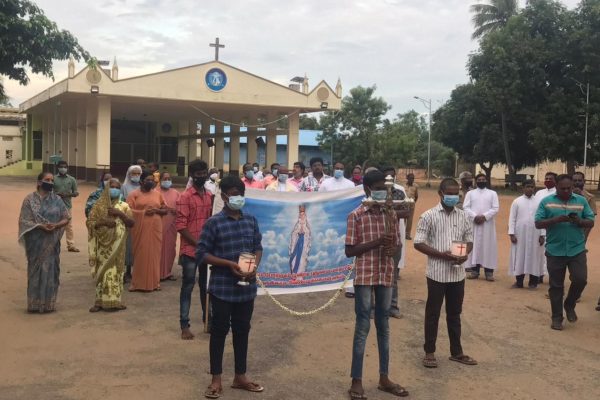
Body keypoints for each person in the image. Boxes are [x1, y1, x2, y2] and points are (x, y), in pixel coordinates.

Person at [196, 176, 264, 399]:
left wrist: (254, 266)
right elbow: (202, 254)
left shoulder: (251, 221)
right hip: (222, 288)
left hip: (246, 288)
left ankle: (240, 376)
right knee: (219, 332)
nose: (237, 198)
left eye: (241, 194)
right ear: (224, 196)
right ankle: (216, 379)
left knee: (242, 330)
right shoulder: (214, 223)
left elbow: (258, 247)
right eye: (233, 194)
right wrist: (227, 264)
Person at [346, 170, 408, 399]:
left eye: (386, 187)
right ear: (367, 189)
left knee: (384, 326)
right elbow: (349, 250)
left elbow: (396, 245)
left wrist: (392, 249)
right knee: (363, 327)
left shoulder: (390, 214)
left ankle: (384, 377)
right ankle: (356, 380)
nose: (383, 191)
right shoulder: (356, 216)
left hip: (385, 273)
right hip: (365, 275)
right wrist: (376, 243)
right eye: (379, 187)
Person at [414, 178, 477, 369]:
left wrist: (465, 253)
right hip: (437, 273)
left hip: (457, 273)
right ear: (440, 194)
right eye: (449, 193)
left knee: (454, 313)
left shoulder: (464, 216)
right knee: (433, 313)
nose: (453, 197)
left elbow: (469, 239)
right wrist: (441, 255)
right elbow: (418, 242)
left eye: (456, 193)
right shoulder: (428, 216)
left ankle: (456, 352)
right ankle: (429, 352)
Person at [535, 174, 594, 330]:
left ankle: (569, 304)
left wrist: (579, 221)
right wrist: (555, 220)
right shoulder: (546, 202)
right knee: (556, 286)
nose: (567, 191)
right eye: (563, 188)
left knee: (581, 279)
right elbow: (538, 223)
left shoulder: (581, 201)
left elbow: (591, 221)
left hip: (577, 249)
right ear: (557, 186)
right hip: (555, 250)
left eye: (569, 188)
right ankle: (556, 318)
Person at [18, 172, 70, 313]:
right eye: (47, 180)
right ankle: (34, 304)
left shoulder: (57, 199)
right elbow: (24, 221)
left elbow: (66, 217)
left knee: (50, 271)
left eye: (52, 180)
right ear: (39, 182)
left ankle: (48, 304)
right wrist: (40, 226)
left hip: (51, 243)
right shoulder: (29, 200)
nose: (50, 182)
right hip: (35, 244)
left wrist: (57, 225)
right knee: (35, 272)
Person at [177, 160, 214, 340]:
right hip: (190, 250)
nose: (201, 176)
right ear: (191, 174)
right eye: (197, 173)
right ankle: (184, 324)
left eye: (203, 173)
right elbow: (180, 226)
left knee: (206, 287)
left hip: (206, 250)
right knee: (188, 286)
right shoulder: (185, 197)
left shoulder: (209, 196)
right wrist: (198, 244)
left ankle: (208, 321)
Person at [87, 178, 134, 312]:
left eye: (117, 187)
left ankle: (116, 301)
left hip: (118, 246)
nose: (115, 189)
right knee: (103, 272)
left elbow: (132, 223)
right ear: (107, 189)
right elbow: (90, 222)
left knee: (117, 272)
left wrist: (120, 214)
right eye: (112, 186)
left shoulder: (124, 206)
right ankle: (99, 302)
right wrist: (103, 222)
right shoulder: (98, 205)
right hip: (103, 246)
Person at [127, 171, 167, 292]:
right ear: (141, 181)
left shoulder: (158, 194)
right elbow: (128, 212)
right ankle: (136, 283)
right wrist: (144, 212)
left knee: (155, 254)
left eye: (152, 180)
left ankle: (155, 283)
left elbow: (164, 210)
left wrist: (156, 210)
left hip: (155, 227)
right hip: (140, 228)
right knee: (141, 253)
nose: (151, 182)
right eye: (148, 180)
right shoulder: (133, 195)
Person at [381, 166, 410, 319]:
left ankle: (393, 306)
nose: (389, 180)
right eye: (387, 177)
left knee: (392, 275)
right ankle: (375, 307)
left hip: (395, 236)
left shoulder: (399, 192)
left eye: (392, 176)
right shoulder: (377, 192)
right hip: (378, 237)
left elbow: (406, 212)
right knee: (375, 274)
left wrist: (387, 212)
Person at [508, 180, 545, 289]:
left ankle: (533, 282)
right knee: (519, 256)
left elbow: (542, 218)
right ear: (523, 188)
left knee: (535, 256)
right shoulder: (517, 201)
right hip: (520, 234)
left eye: (532, 187)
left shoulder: (539, 202)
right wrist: (512, 233)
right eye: (527, 186)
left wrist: (542, 234)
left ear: (534, 188)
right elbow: (512, 218)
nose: (530, 189)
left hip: (535, 233)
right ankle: (519, 282)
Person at [464, 174, 499, 281]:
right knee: (474, 246)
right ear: (476, 181)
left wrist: (484, 217)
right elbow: (465, 207)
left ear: (486, 181)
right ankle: (475, 271)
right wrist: (474, 217)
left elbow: (495, 208)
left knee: (488, 247)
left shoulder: (493, 193)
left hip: (487, 225)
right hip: (474, 224)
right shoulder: (470, 193)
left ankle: (489, 272)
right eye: (479, 180)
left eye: (483, 179)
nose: (481, 181)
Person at [121, 165, 142, 282]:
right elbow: (121, 201)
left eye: (138, 173)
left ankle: (138, 270)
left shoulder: (142, 186)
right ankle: (127, 271)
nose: (136, 176)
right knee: (129, 245)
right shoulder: (124, 187)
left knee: (139, 244)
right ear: (129, 175)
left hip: (141, 220)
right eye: (134, 174)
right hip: (129, 219)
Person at [159, 172, 181, 281]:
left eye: (169, 178)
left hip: (172, 225)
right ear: (160, 180)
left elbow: (181, 208)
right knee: (158, 248)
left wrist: (175, 210)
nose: (167, 180)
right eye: (165, 178)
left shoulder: (176, 193)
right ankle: (157, 272)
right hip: (158, 225)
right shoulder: (155, 192)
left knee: (170, 249)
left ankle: (167, 272)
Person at [54, 160, 79, 252]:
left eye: (65, 167)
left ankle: (71, 245)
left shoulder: (71, 179)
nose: (63, 169)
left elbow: (76, 192)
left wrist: (69, 194)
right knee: (56, 225)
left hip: (67, 206)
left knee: (69, 226)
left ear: (67, 168)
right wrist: (57, 194)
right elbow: (49, 192)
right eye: (61, 167)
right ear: (58, 168)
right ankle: (54, 244)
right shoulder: (54, 179)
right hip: (55, 206)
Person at [572, 172, 597, 240]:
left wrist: (584, 237)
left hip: (580, 232)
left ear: (584, 181)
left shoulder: (590, 198)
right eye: (575, 180)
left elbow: (591, 219)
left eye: (579, 180)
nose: (577, 182)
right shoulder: (565, 195)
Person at [405, 173, 419, 240]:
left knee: (410, 220)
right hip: (404, 205)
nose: (412, 179)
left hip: (411, 205)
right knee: (403, 220)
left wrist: (413, 202)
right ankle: (402, 233)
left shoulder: (415, 186)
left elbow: (416, 196)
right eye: (410, 178)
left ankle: (407, 235)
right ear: (407, 178)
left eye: (413, 178)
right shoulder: (403, 186)